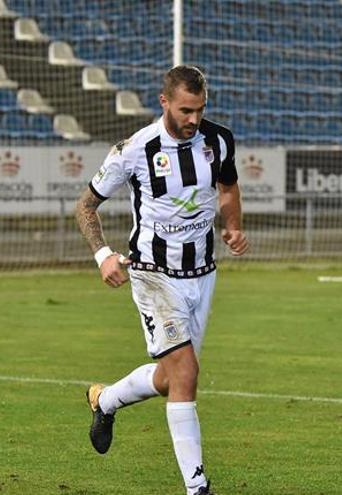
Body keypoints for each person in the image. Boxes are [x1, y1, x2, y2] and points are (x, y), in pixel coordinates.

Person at [74, 65, 248, 495]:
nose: (193, 119)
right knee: (186, 371)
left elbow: (228, 187)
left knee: (173, 378)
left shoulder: (218, 139)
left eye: (200, 110)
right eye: (186, 110)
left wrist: (233, 225)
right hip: (153, 274)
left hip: (202, 276)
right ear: (164, 101)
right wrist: (103, 256)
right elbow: (85, 207)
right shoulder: (136, 149)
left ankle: (106, 400)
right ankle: (197, 487)